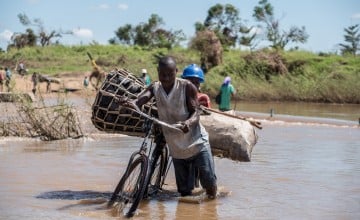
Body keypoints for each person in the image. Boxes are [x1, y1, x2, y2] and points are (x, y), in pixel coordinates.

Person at [122, 56, 217, 198]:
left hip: (197, 144)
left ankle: (212, 209)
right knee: (184, 192)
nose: (166, 78)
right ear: (157, 71)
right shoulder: (155, 87)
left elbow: (196, 112)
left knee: (209, 184)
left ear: (176, 72)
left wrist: (188, 123)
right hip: (176, 148)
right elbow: (142, 98)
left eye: (170, 74)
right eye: (162, 74)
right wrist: (134, 103)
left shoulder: (187, 87)